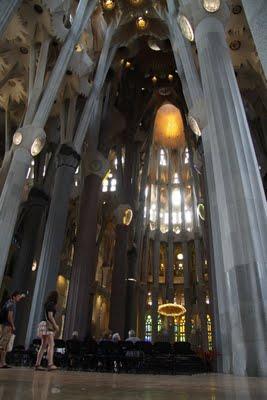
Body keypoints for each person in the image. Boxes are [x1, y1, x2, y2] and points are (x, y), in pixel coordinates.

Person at [35, 291, 59, 371]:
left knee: (43, 345)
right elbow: (50, 316)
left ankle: (37, 364)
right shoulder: (51, 304)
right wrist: (55, 325)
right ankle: (50, 364)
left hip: (43, 324)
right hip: (48, 326)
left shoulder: (47, 304)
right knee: (51, 344)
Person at [0, 291, 25, 368]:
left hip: (4, 325)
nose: (19, 298)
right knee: (3, 345)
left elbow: (17, 298)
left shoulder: (9, 302)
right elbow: (9, 316)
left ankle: (3, 362)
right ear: (14, 297)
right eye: (18, 297)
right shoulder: (11, 305)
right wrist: (13, 325)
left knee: (4, 345)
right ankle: (2, 363)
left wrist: (21, 296)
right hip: (7, 326)